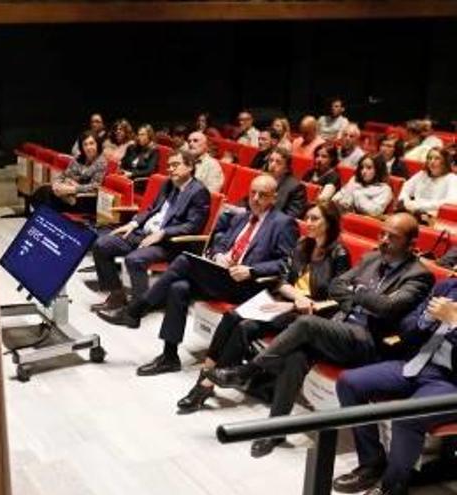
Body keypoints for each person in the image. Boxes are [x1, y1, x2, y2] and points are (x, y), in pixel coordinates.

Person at [206, 213, 434, 458]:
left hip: (371, 342)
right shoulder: (371, 258)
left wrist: (355, 291)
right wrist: (361, 296)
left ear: (411, 244)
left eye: (393, 237)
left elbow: (388, 309)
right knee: (296, 355)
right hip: (341, 329)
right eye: (383, 233)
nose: (384, 240)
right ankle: (276, 430)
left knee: (307, 324)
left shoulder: (419, 275)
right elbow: (337, 286)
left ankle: (248, 370)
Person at [98, 175, 298, 375]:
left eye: (262, 195)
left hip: (248, 285)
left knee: (185, 261)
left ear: (274, 197)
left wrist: (252, 271)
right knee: (179, 288)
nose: (255, 198)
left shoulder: (283, 223)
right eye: (252, 192)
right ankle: (169, 356)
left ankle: (136, 310)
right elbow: (221, 241)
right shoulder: (243, 216)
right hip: (224, 275)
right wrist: (219, 255)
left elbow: (284, 263)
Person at [177, 201, 349, 413]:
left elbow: (339, 298)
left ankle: (205, 386)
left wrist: (303, 304)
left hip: (309, 316)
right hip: (286, 303)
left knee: (244, 328)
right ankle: (207, 377)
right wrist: (294, 299)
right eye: (308, 218)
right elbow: (282, 280)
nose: (308, 223)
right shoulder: (303, 245)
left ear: (329, 223)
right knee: (232, 317)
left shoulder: (339, 254)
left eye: (315, 219)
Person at [333, 282, 457, 495]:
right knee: (349, 382)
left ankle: (393, 486)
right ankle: (372, 463)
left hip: (452, 382)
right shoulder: (448, 287)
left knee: (407, 417)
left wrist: (454, 322)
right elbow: (406, 328)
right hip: (419, 363)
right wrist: (426, 320)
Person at [90, 150, 210, 311]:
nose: (171, 169)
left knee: (134, 259)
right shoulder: (168, 184)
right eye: (169, 166)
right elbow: (152, 209)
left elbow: (193, 226)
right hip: (143, 234)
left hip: (169, 244)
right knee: (101, 244)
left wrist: (163, 233)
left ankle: (137, 308)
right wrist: (133, 224)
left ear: (189, 167)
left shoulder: (199, 192)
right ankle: (117, 294)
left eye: (176, 165)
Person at [32, 130, 107, 214]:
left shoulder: (101, 162)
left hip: (84, 198)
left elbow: (94, 187)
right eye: (85, 144)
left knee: (48, 196)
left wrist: (73, 189)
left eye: (91, 143)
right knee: (42, 192)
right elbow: (64, 174)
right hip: (68, 191)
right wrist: (57, 184)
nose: (88, 147)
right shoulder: (78, 159)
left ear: (97, 144)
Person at [397, 147, 457, 222]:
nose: (432, 161)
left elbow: (452, 201)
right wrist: (405, 201)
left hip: (433, 217)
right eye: (429, 158)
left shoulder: (452, 179)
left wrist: (419, 206)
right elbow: (405, 188)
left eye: (437, 158)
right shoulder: (422, 174)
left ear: (445, 162)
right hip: (413, 212)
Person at [267, 148, 307, 218]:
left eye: (278, 162)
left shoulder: (296, 188)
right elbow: (247, 201)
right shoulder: (262, 179)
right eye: (271, 160)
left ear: (286, 168)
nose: (272, 165)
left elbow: (290, 217)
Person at [119, 123, 159, 191]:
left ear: (149, 136)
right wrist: (122, 169)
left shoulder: (154, 151)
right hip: (126, 176)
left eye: (142, 135)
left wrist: (132, 174)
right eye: (138, 134)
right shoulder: (133, 148)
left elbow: (149, 171)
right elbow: (123, 162)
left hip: (139, 181)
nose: (139, 137)